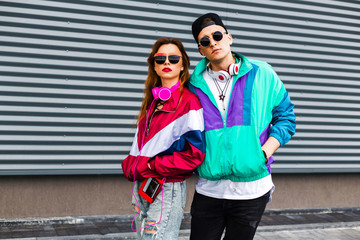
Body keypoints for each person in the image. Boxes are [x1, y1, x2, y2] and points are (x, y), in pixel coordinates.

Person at [188, 13, 296, 240]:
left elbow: (286, 117)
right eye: (205, 41)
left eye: (217, 35)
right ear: (201, 50)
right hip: (209, 190)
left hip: (252, 190)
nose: (213, 42)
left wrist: (264, 151)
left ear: (229, 37)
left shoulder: (263, 73)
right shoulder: (193, 87)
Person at [121, 38, 205, 240]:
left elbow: (195, 155)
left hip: (166, 186)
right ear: (154, 66)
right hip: (144, 184)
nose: (167, 62)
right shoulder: (153, 101)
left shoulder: (189, 102)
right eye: (160, 59)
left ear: (182, 65)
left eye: (173, 58)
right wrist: (132, 164)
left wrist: (151, 166)